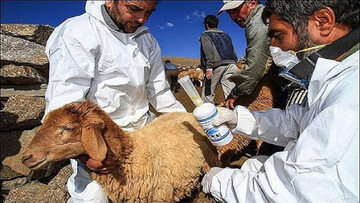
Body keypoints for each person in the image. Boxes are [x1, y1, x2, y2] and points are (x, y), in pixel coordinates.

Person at [201, 0, 359, 202]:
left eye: (278, 35)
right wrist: (239, 119)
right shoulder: (336, 77)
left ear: (323, 22)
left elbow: (302, 191)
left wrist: (219, 182)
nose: (273, 46)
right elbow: (298, 122)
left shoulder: (351, 95)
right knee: (253, 165)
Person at [44, 0, 186, 202]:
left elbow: (160, 92)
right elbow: (65, 104)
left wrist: (189, 122)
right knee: (95, 198)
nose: (141, 19)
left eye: (149, 12)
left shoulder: (147, 40)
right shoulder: (78, 32)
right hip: (100, 139)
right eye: (134, 9)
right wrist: (86, 155)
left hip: (142, 132)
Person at [217, 0, 271, 109]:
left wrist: (236, 93)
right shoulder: (261, 17)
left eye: (235, 10)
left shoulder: (257, 23)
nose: (233, 17)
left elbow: (256, 65)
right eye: (229, 13)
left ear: (252, 3)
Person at [199, 15, 238, 103]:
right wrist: (235, 63)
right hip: (231, 64)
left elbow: (208, 50)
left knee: (208, 92)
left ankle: (208, 113)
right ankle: (235, 112)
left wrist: (209, 67)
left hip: (216, 65)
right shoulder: (226, 36)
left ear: (206, 24)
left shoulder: (206, 35)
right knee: (230, 91)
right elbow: (233, 50)